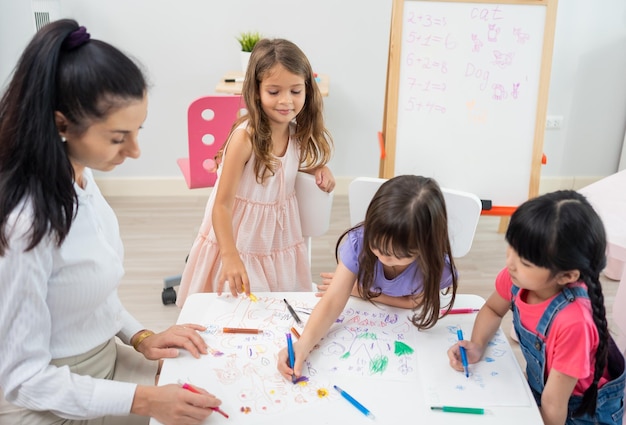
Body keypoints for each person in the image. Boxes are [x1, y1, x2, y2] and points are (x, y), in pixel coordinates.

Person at [0, 19, 222, 425]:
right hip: (50, 396)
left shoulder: (80, 177)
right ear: (61, 124)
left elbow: (89, 293)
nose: (135, 151)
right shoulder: (25, 225)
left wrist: (140, 336)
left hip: (104, 359)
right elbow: (23, 379)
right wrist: (143, 401)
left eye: (138, 131)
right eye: (119, 138)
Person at [176, 38, 334, 306]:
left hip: (277, 238)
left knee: (274, 307)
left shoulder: (296, 134)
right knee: (237, 308)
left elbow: (285, 170)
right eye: (274, 92)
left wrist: (320, 168)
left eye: (295, 91)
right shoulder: (244, 139)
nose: (286, 101)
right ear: (256, 91)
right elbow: (221, 206)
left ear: (307, 90)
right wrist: (229, 255)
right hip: (239, 240)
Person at [447, 190, 625, 425]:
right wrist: (477, 345)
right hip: (545, 394)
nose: (510, 263)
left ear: (567, 275)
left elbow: (554, 404)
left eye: (525, 261)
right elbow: (492, 309)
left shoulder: (574, 323)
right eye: (511, 248)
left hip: (579, 412)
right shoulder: (517, 278)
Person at [277, 174, 458, 381]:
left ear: (424, 248)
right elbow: (332, 302)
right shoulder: (359, 243)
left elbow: (413, 303)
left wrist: (360, 291)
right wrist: (302, 346)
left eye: (395, 255)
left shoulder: (436, 266)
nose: (382, 257)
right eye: (377, 247)